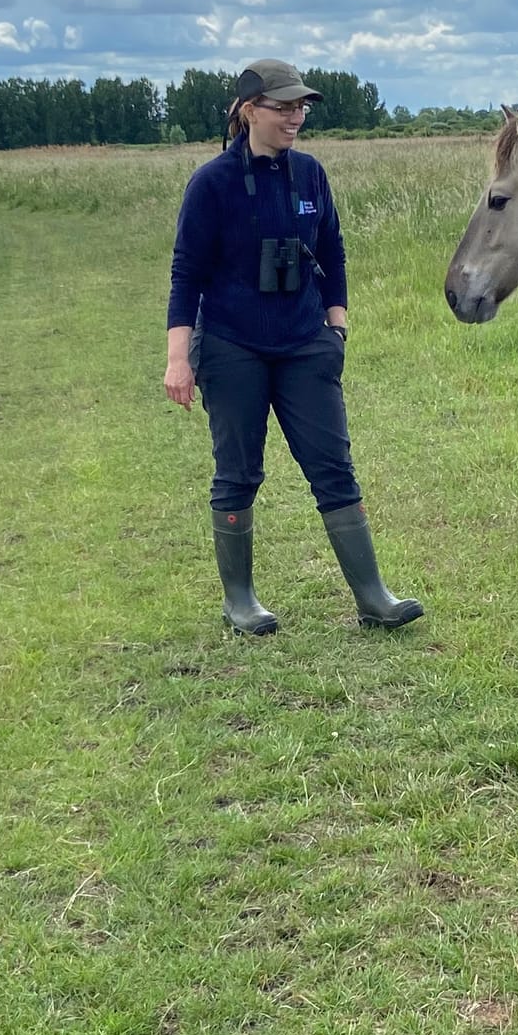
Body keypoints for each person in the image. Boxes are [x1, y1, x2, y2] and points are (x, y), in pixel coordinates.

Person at [164, 58, 422, 635]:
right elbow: (186, 273)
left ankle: (374, 599)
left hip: (306, 343)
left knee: (334, 468)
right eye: (283, 106)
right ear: (249, 110)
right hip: (232, 345)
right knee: (238, 473)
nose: (296, 116)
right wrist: (179, 357)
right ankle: (240, 602)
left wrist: (337, 327)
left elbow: (332, 251)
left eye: (301, 106)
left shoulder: (310, 175)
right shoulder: (212, 183)